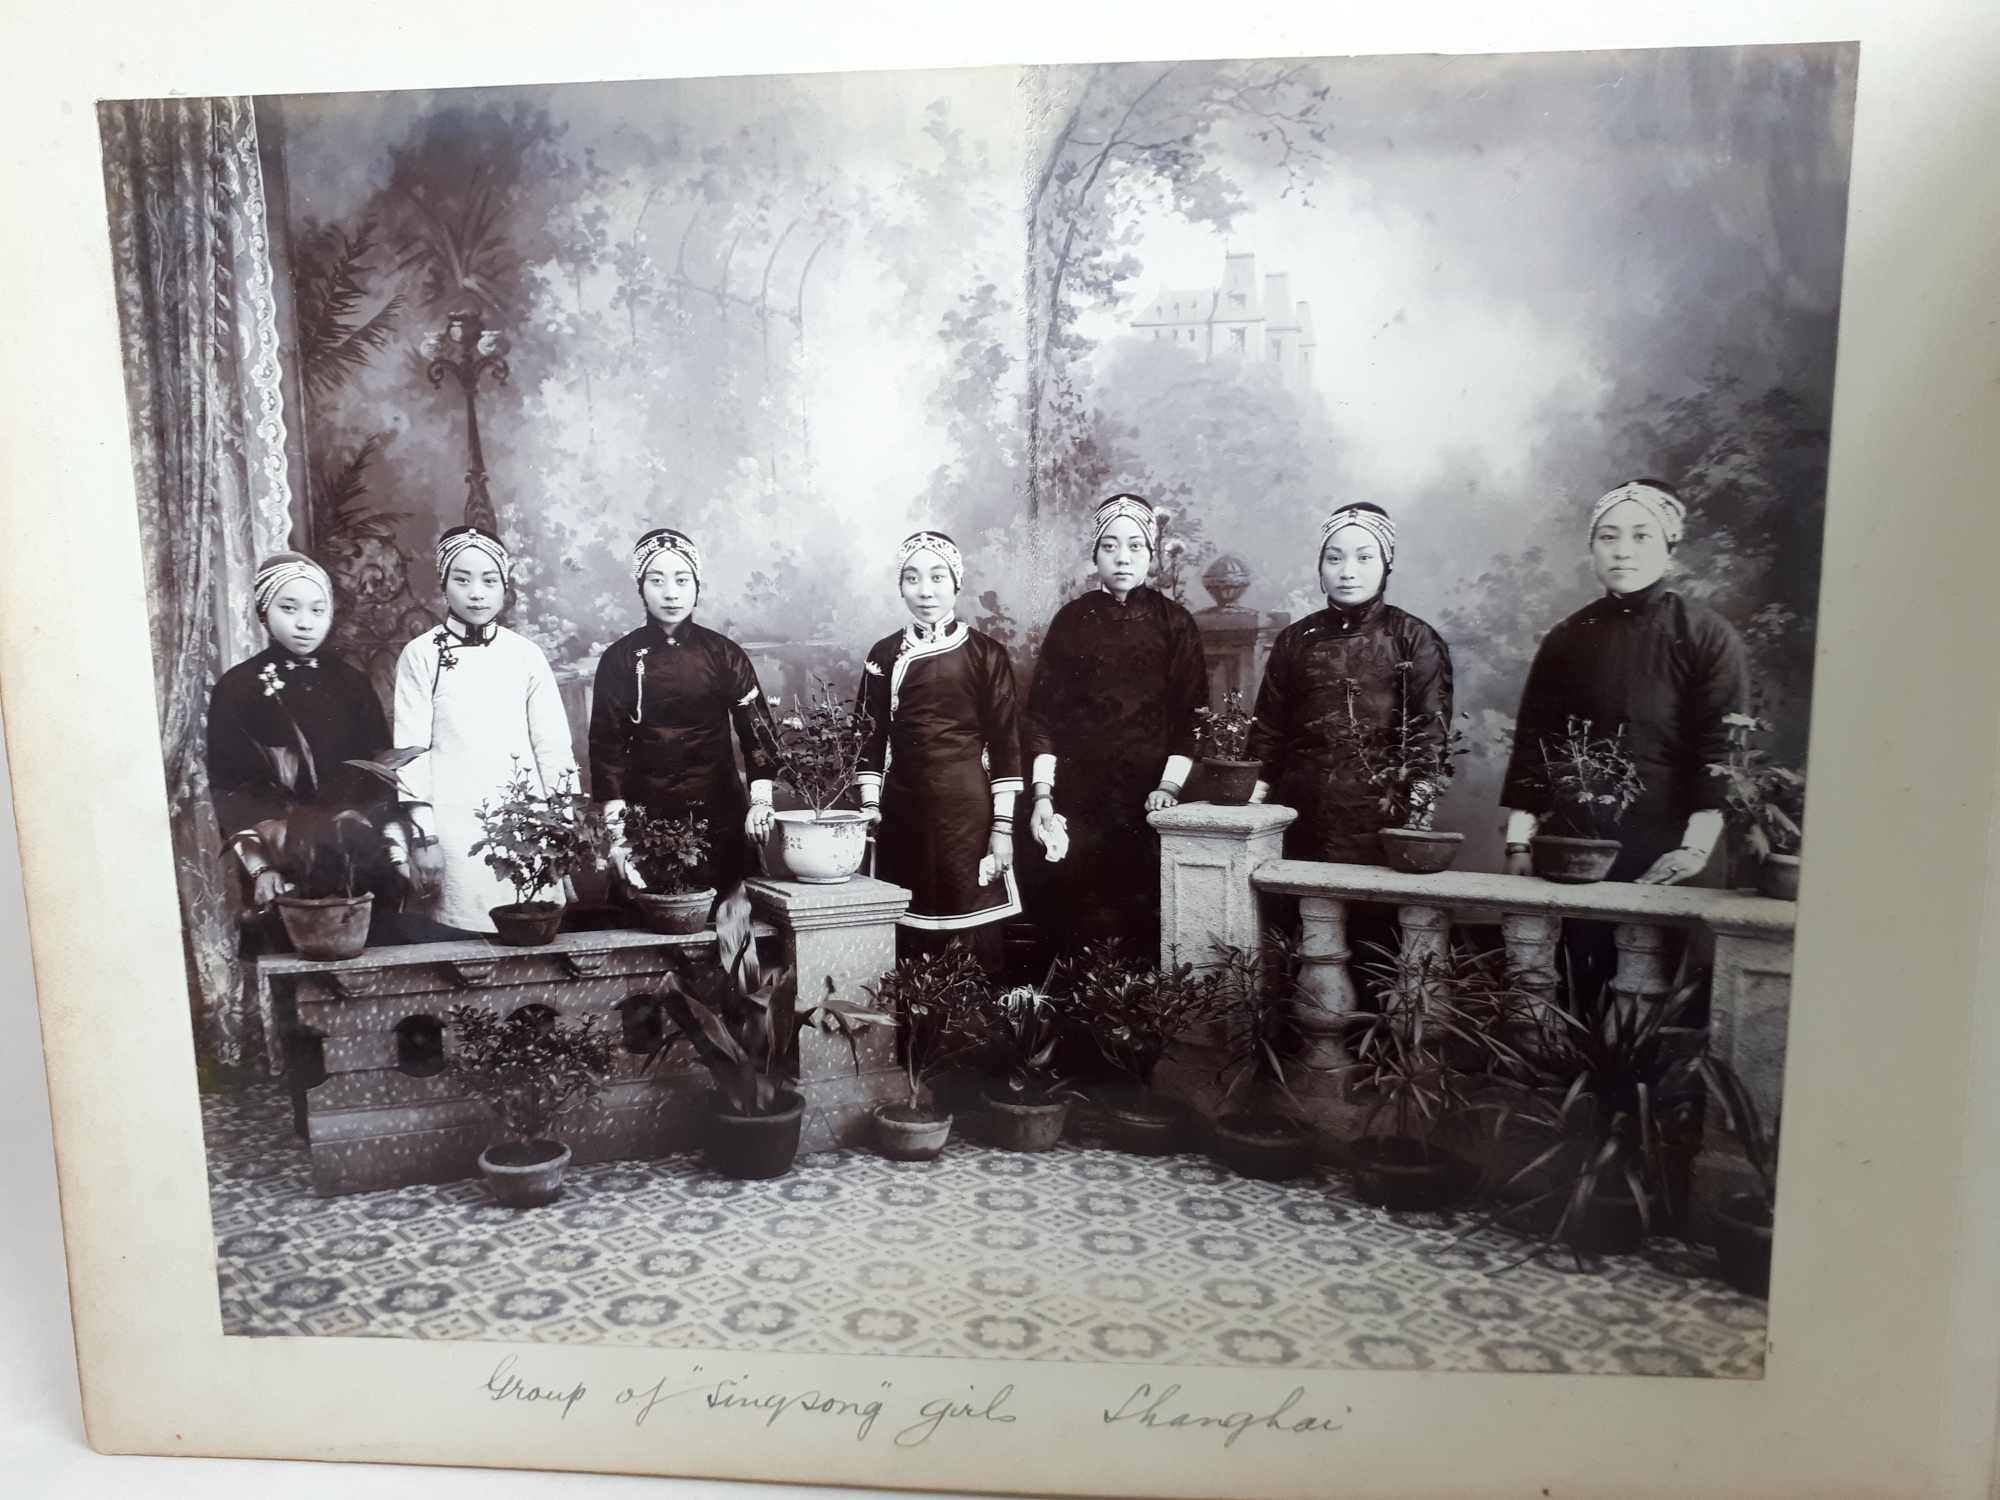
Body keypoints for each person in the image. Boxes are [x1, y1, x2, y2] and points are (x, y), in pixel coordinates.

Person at [1499, 480, 1751, 887]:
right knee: (1569, 951)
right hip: (1573, 847)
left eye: (1641, 536)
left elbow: (1721, 753)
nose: (1622, 550)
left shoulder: (1708, 636)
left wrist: (1695, 850)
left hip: (1670, 852)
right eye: (1608, 536)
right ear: (1592, 548)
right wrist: (1519, 846)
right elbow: (1536, 743)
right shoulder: (1567, 637)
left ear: (1669, 549)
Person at [1022, 493, 1207, 954]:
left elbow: (1193, 717)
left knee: (1146, 917)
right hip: (1080, 797)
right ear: (1095, 554)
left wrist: (1170, 787)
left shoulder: (1175, 623)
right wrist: (1043, 795)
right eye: (1110, 546)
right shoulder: (1071, 621)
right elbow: (1042, 716)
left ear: (1151, 555)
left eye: (1135, 547)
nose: (1122, 558)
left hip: (1152, 801)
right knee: (1078, 914)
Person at [205, 552, 408, 941]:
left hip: (358, 865)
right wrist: (262, 869)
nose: (304, 622)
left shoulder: (352, 683)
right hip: (284, 869)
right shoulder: (239, 688)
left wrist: (395, 856)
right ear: (264, 612)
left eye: (318, 610)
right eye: (288, 608)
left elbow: (383, 776)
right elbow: (229, 789)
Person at [392, 525, 579, 936]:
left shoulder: (526, 656)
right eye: (462, 579)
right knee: (462, 945)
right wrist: (425, 838)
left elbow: (552, 748)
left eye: (489, 580)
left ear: (504, 587)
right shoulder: (421, 655)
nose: (476, 592)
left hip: (526, 826)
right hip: (455, 829)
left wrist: (562, 830)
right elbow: (410, 752)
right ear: (443, 585)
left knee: (528, 938)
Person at [1245, 503, 1455, 863]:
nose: (1347, 572)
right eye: (1335, 558)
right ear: (1320, 566)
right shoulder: (1296, 639)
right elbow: (1268, 731)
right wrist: (1250, 806)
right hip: (1299, 812)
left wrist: (1417, 818)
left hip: (1381, 818)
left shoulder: (1414, 639)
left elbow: (1429, 738)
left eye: (1364, 558)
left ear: (1387, 564)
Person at [857, 531, 1024, 970]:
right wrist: (870, 806)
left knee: (973, 929)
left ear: (957, 583)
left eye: (937, 576)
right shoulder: (884, 654)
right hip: (903, 811)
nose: (925, 590)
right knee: (907, 929)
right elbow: (869, 738)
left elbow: (1006, 743)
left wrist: (1002, 829)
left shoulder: (986, 654)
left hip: (969, 812)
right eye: (912, 578)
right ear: (900, 586)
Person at [589, 527, 780, 899]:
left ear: (697, 585)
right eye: (657, 580)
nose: (671, 592)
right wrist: (616, 833)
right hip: (647, 814)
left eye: (681, 579)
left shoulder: (723, 653)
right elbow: (606, 747)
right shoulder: (620, 658)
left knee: (726, 917)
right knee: (651, 920)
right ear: (641, 587)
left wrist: (761, 802)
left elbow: (758, 731)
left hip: (718, 808)